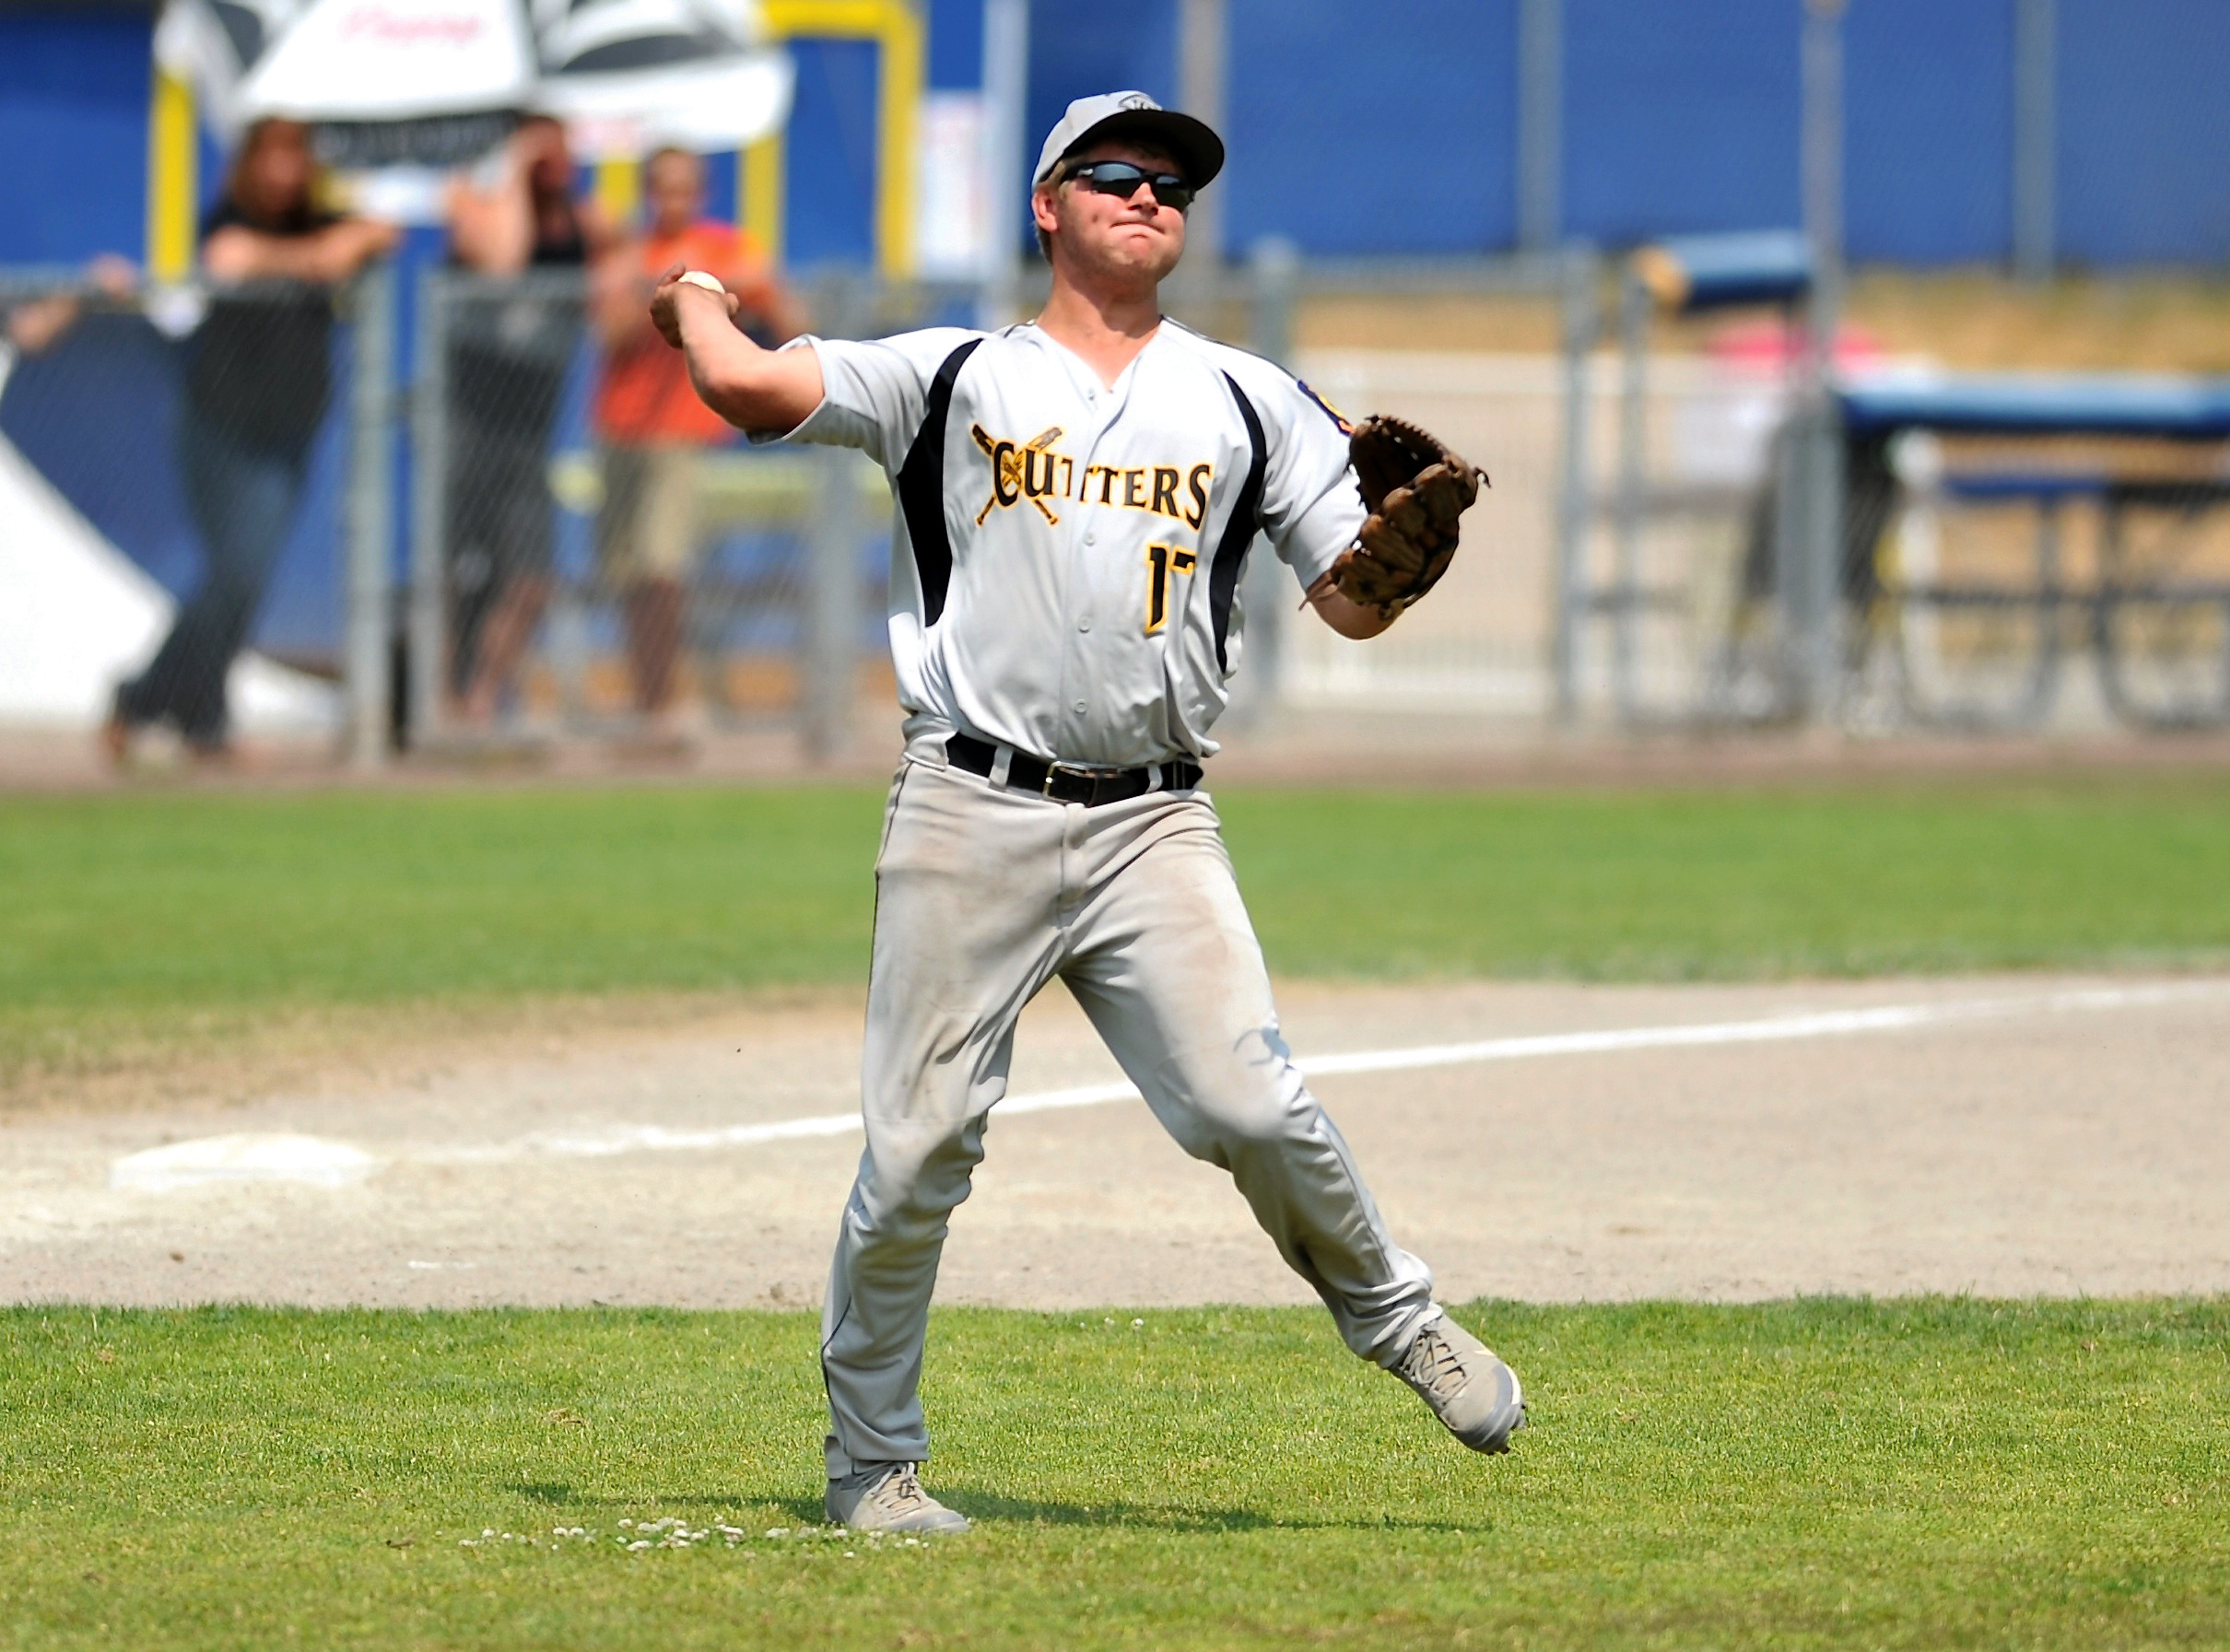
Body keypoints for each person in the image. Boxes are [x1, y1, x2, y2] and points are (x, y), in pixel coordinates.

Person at [651, 91, 1523, 1535]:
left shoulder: (1248, 396)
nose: (1151, 193)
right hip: (967, 805)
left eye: (1174, 181)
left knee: (1251, 1100)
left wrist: (1404, 559)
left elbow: (1348, 607)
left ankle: (1400, 1321)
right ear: (1047, 205)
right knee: (921, 1149)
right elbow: (744, 388)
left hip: (1151, 827)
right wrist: (689, 293)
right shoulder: (952, 374)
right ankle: (872, 1464)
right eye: (1115, 172)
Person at [105, 119, 396, 764]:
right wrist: (320, 255)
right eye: (274, 156)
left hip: (290, 428)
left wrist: (342, 236)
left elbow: (382, 233)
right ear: (251, 163)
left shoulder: (319, 218)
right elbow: (231, 258)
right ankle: (166, 703)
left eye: (296, 157)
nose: (284, 172)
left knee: (244, 579)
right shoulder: (229, 215)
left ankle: (178, 707)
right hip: (220, 428)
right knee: (236, 569)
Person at [592, 146, 803, 737]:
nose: (673, 201)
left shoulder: (725, 248)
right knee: (628, 573)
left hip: (681, 436)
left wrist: (713, 292)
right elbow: (607, 331)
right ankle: (646, 697)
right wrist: (659, 297)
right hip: (621, 428)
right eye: (662, 188)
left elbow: (787, 314)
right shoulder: (630, 255)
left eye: (684, 188)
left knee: (663, 567)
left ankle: (662, 702)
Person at [443, 115, 616, 727]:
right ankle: (442, 699)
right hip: (465, 425)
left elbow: (620, 287)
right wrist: (513, 168)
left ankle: (482, 697)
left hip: (529, 432)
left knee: (530, 578)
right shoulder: (473, 200)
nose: (556, 156)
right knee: (457, 574)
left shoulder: (581, 221)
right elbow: (502, 260)